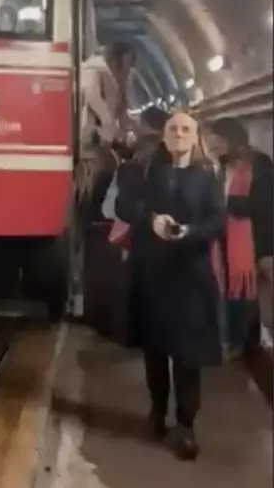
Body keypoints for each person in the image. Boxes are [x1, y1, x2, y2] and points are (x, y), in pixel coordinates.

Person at [116, 110, 225, 460]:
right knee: (156, 350)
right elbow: (123, 204)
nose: (179, 134)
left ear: (196, 138)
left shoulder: (207, 178)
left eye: (186, 129)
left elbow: (217, 221)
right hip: (154, 275)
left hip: (190, 279)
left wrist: (190, 233)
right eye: (173, 128)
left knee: (188, 356)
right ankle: (157, 413)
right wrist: (151, 219)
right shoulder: (146, 169)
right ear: (164, 135)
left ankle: (187, 425)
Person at [204, 118, 273, 354]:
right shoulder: (221, 167)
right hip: (227, 243)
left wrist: (229, 204)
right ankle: (238, 344)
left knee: (255, 301)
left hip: (255, 243)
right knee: (234, 296)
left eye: (216, 143)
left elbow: (265, 207)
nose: (212, 148)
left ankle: (250, 347)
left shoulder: (260, 163)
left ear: (230, 139)